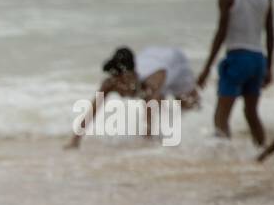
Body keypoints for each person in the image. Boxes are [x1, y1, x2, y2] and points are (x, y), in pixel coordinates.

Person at [197, 0, 274, 145]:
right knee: (251, 113)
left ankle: (223, 159)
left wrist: (206, 68)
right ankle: (262, 152)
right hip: (258, 59)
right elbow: (271, 33)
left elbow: (221, 33)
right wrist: (269, 66)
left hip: (237, 57)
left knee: (221, 116)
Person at [65, 46, 200, 149]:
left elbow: (149, 112)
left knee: (189, 105)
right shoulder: (111, 83)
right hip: (151, 56)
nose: (120, 85)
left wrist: (148, 141)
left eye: (123, 80)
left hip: (174, 62)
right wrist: (75, 140)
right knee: (154, 101)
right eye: (116, 79)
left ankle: (203, 134)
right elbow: (92, 110)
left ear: (133, 75)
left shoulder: (152, 82)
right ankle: (163, 133)